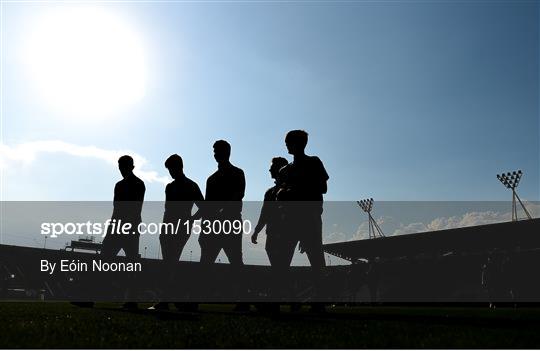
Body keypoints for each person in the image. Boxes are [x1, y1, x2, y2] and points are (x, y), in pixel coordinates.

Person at [278, 130, 329, 311]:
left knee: (316, 260)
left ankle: (320, 301)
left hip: (309, 218)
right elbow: (280, 195)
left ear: (299, 143)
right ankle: (292, 298)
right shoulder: (284, 170)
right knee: (282, 261)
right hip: (289, 220)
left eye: (288, 141)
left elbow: (323, 187)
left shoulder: (313, 162)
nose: (285, 144)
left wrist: (294, 191)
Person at [154, 154, 204, 311]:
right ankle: (173, 299)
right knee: (169, 264)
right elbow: (167, 210)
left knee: (170, 263)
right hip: (167, 228)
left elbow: (203, 207)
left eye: (171, 169)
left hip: (181, 229)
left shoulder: (191, 186)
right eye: (169, 170)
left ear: (179, 167)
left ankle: (168, 299)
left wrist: (190, 219)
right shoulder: (169, 187)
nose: (170, 172)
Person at [100, 155, 145, 310]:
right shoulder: (128, 184)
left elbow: (130, 208)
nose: (121, 169)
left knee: (127, 264)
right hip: (124, 227)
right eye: (120, 166)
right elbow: (117, 208)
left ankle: (131, 299)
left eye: (123, 166)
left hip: (127, 228)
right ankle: (130, 299)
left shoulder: (135, 184)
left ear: (130, 167)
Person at [199, 140, 246, 265]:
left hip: (229, 224)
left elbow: (238, 195)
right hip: (215, 226)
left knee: (235, 261)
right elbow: (207, 206)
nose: (216, 155)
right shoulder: (211, 179)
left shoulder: (238, 173)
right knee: (206, 262)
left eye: (218, 151)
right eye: (215, 152)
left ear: (227, 152)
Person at [251, 157, 294, 267]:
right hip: (272, 234)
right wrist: (256, 231)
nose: (269, 170)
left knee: (281, 267)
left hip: (286, 234)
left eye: (272, 168)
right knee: (279, 268)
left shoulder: (291, 190)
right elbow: (264, 213)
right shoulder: (270, 192)